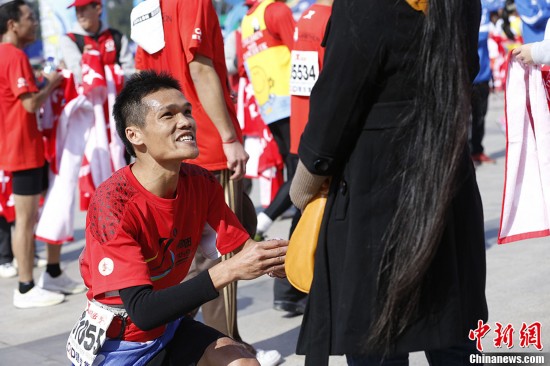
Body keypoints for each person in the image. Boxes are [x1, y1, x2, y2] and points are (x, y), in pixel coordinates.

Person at [289, 0, 488, 365]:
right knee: (453, 331)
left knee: (375, 338)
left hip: (376, 189)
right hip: (445, 177)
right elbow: (467, 70)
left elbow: (337, 101)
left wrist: (304, 182)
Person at [69, 70, 288, 366]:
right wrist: (230, 270)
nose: (186, 121)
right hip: (118, 342)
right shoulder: (112, 203)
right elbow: (143, 312)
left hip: (169, 329)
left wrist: (283, 260)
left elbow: (244, 249)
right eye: (168, 115)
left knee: (243, 362)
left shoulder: (200, 181)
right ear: (135, 135)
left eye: (186, 112)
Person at [134, 2, 282, 364]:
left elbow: (142, 79)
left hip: (166, 145)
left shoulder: (146, 7)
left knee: (194, 250)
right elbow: (199, 68)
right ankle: (227, 346)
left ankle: (195, 340)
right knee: (223, 251)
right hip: (204, 139)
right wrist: (229, 137)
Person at [0, 0, 86, 309]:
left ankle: (52, 272)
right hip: (20, 150)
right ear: (12, 25)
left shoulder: (14, 56)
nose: (34, 23)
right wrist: (50, 83)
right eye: (28, 18)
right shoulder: (12, 55)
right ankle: (24, 287)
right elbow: (29, 104)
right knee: (25, 221)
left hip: (32, 147)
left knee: (49, 210)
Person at [59, 0, 134, 84]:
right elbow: (78, 77)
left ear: (98, 9)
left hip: (118, 95)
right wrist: (86, 61)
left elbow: (130, 74)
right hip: (86, 97)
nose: (79, 15)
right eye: (77, 10)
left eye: (83, 9)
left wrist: (97, 71)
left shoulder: (117, 37)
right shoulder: (69, 39)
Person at [471, 1, 496, 165]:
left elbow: (482, 35)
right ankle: (462, 154)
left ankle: (477, 150)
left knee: (480, 115)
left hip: (483, 73)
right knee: (462, 119)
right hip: (465, 73)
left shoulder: (485, 6)